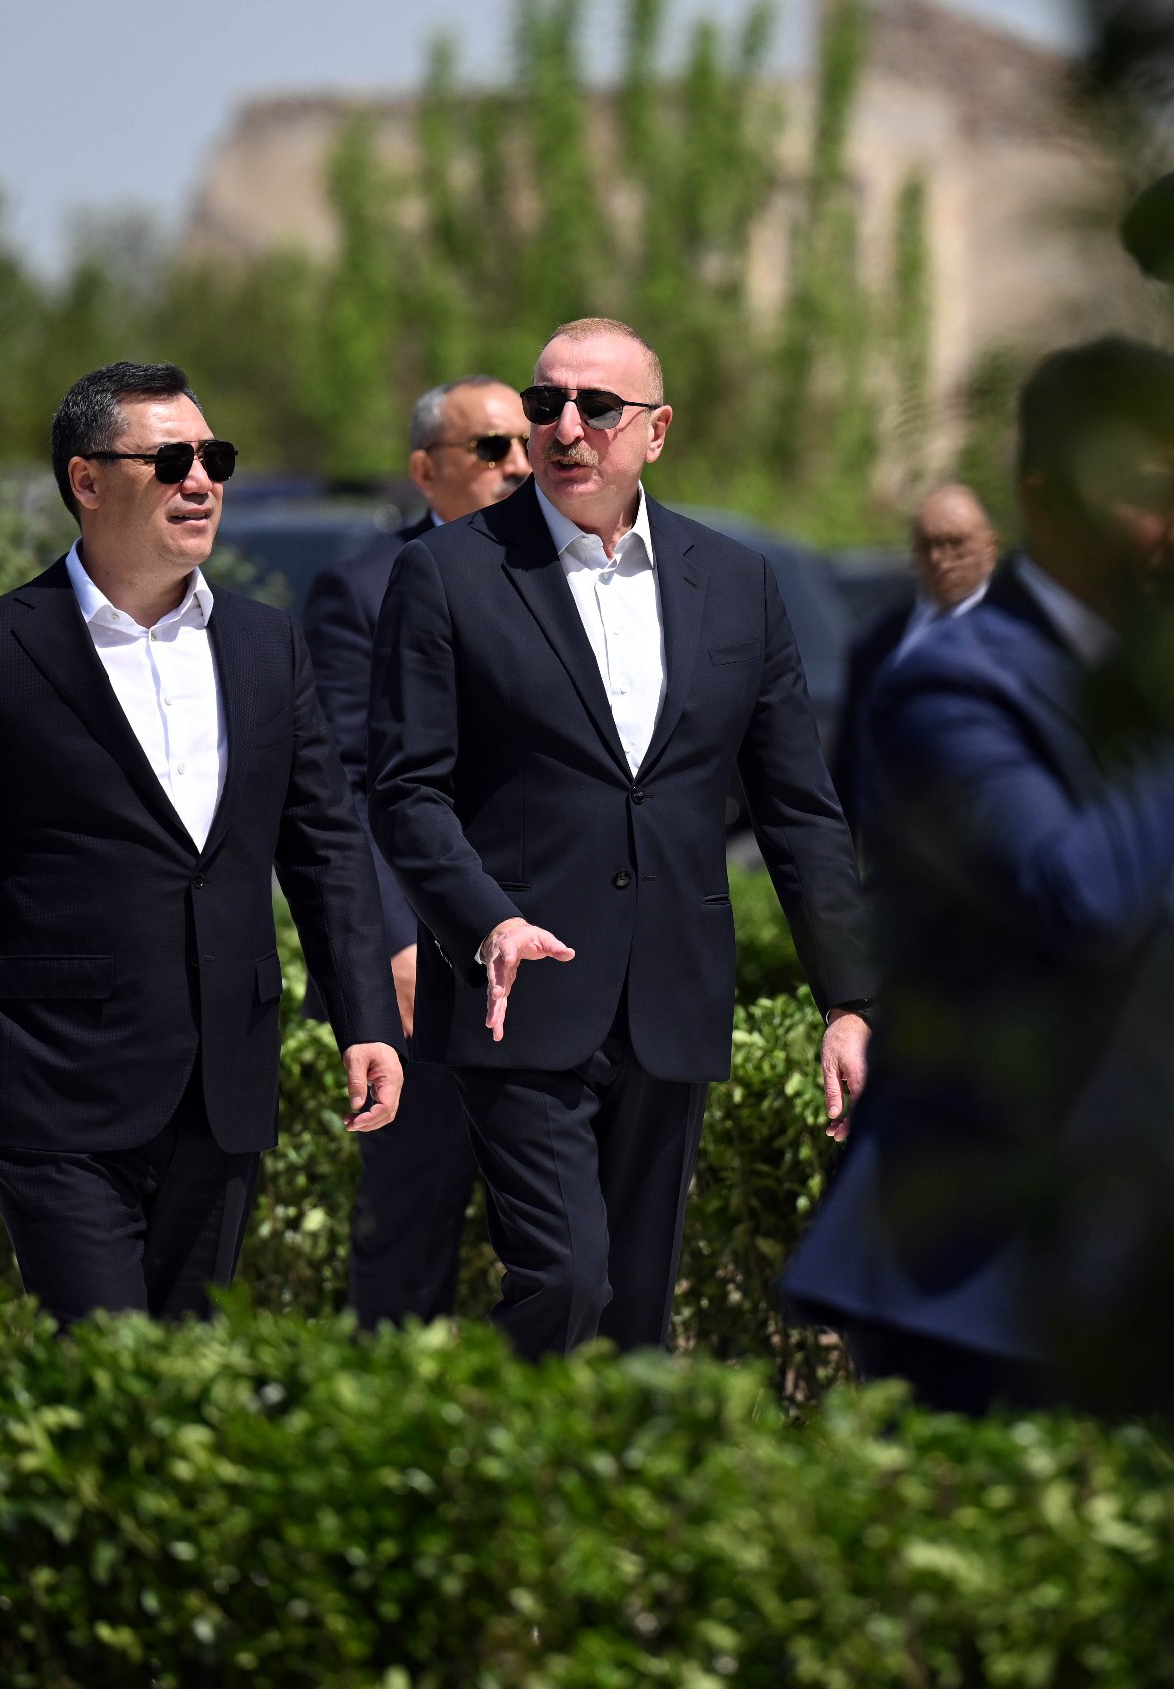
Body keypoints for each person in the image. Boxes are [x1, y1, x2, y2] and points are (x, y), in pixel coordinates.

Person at [784, 338, 1174, 1429]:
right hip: (1004, 1298)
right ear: (1046, 499)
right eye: (1157, 495)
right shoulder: (953, 690)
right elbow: (1080, 897)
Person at [369, 316, 875, 1358]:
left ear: (657, 430)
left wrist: (850, 999)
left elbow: (797, 809)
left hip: (671, 994)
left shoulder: (736, 582)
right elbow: (407, 791)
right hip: (517, 992)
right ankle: (513, 1447)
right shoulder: (449, 574)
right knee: (564, 1279)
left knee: (637, 1315)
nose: (564, 427)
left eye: (596, 406)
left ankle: (585, 1467)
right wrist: (485, 921)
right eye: (544, 403)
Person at [0, 362, 403, 1322]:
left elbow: (325, 846)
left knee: (189, 1371)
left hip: (224, 1084)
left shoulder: (267, 644)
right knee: (102, 1365)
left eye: (214, 460)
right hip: (53, 1087)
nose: (200, 482)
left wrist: (367, 1019)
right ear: (86, 479)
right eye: (170, 461)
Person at [301, 375, 531, 1328]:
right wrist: (394, 940)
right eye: (491, 448)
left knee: (560, 1245)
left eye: (525, 445)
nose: (519, 465)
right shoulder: (363, 588)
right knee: (411, 1224)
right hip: (422, 971)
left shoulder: (567, 580)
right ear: (425, 470)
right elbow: (342, 788)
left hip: (544, 958)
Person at [830, 483, 1001, 832]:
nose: (940, 559)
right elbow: (849, 757)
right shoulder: (880, 639)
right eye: (928, 546)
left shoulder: (1018, 632)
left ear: (989, 548)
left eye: (955, 544)